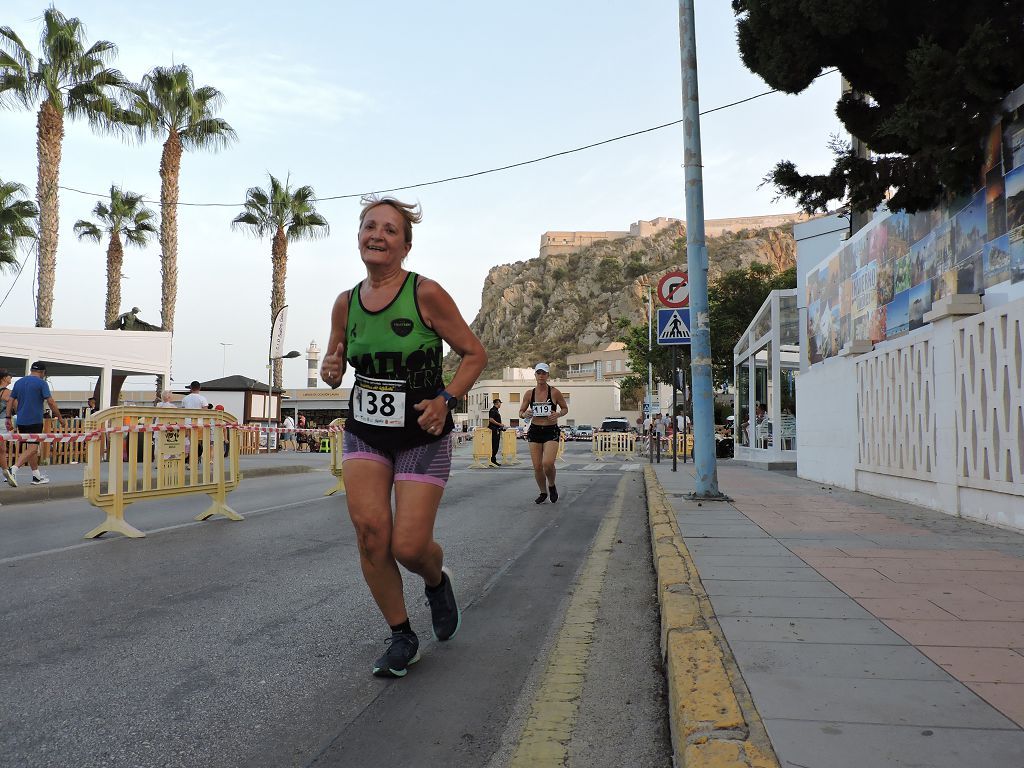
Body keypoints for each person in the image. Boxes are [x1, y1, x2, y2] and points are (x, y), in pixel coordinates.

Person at [319, 194, 487, 679]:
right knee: (372, 535)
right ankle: (402, 635)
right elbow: (335, 367)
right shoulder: (345, 303)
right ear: (358, 238)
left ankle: (436, 579)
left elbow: (474, 354)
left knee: (409, 547)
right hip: (366, 434)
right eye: (370, 227)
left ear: (406, 246)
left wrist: (447, 399)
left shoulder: (426, 294)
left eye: (391, 230)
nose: (378, 235)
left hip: (422, 434)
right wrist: (332, 369)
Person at [518, 362, 568, 504]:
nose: (541, 375)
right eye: (538, 373)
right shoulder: (529, 393)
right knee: (537, 466)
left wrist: (558, 414)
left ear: (547, 375)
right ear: (535, 375)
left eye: (544, 373)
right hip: (535, 430)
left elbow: (565, 408)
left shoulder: (554, 392)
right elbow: (521, 412)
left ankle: (551, 485)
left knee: (547, 463)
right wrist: (525, 414)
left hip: (550, 430)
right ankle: (543, 492)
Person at [6, 362, 62, 486]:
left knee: (31, 448)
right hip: (35, 420)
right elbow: (51, 402)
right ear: (42, 372)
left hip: (21, 421)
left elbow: (10, 400)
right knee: (33, 448)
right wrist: (60, 417)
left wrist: (8, 417)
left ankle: (36, 476)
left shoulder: (19, 382)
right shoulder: (42, 383)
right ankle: (13, 469)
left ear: (31, 370)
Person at [0, 370, 15, 485]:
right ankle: (6, 471)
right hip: (2, 421)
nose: (11, 377)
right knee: (2, 449)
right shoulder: (7, 392)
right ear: (4, 378)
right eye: (10, 376)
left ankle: (6, 471)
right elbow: (17, 405)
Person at [487, 397, 504, 466]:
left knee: (496, 446)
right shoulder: (493, 410)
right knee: (494, 445)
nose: (500, 404)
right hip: (494, 430)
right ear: (497, 403)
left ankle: (493, 460)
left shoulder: (496, 410)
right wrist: (499, 424)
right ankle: (492, 460)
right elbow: (491, 419)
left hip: (497, 429)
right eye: (500, 403)